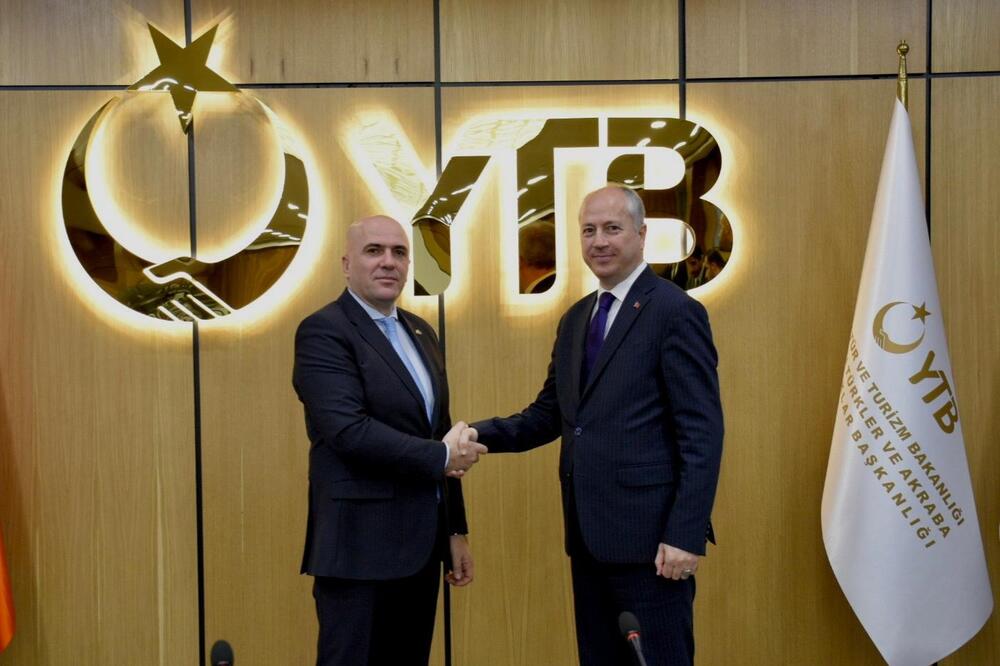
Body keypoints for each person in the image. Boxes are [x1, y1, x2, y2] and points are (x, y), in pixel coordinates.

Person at [466, 185, 724, 665]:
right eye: (589, 230)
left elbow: (701, 434)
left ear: (642, 235)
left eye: (612, 228)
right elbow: (550, 415)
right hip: (588, 542)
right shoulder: (576, 319)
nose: (599, 241)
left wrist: (685, 536)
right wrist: (476, 435)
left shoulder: (675, 312)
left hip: (654, 548)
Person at [293, 215, 487, 666]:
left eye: (399, 252)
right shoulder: (324, 331)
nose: (388, 262)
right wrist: (441, 454)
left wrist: (454, 530)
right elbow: (348, 430)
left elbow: (439, 431)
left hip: (421, 549)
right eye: (374, 251)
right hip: (358, 548)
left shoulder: (422, 332)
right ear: (346, 264)